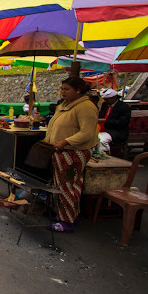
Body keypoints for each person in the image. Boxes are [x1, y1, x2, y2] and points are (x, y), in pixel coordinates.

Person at [44, 77, 99, 232]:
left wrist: (65, 141)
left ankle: (67, 221)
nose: (63, 92)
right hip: (61, 151)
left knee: (68, 186)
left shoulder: (86, 107)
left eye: (67, 89)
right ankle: (64, 214)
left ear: (78, 90)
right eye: (62, 88)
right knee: (62, 185)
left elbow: (87, 133)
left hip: (73, 152)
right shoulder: (65, 105)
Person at [98, 88, 131, 153]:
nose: (106, 101)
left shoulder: (124, 107)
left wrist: (105, 121)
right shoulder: (105, 105)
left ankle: (104, 154)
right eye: (105, 99)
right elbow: (100, 115)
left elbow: (122, 122)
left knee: (101, 140)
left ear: (114, 97)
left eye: (108, 99)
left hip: (116, 131)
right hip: (101, 128)